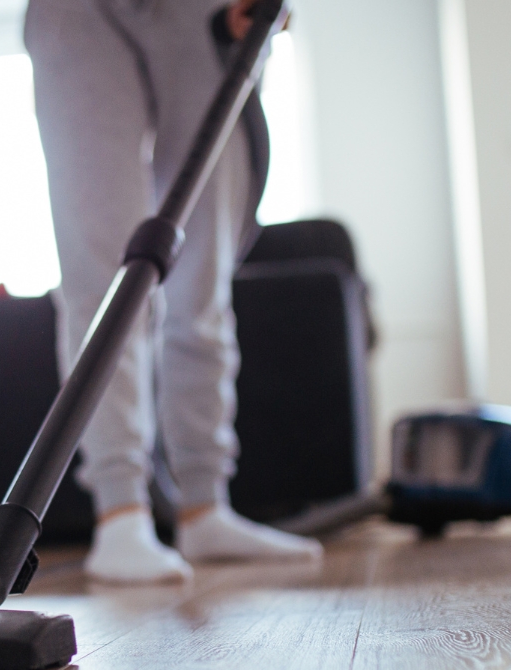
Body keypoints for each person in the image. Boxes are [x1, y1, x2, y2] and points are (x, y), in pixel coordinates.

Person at [25, 0, 322, 582]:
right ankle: (121, 516)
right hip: (77, 14)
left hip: (204, 13)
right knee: (102, 278)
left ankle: (205, 506)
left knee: (202, 275)